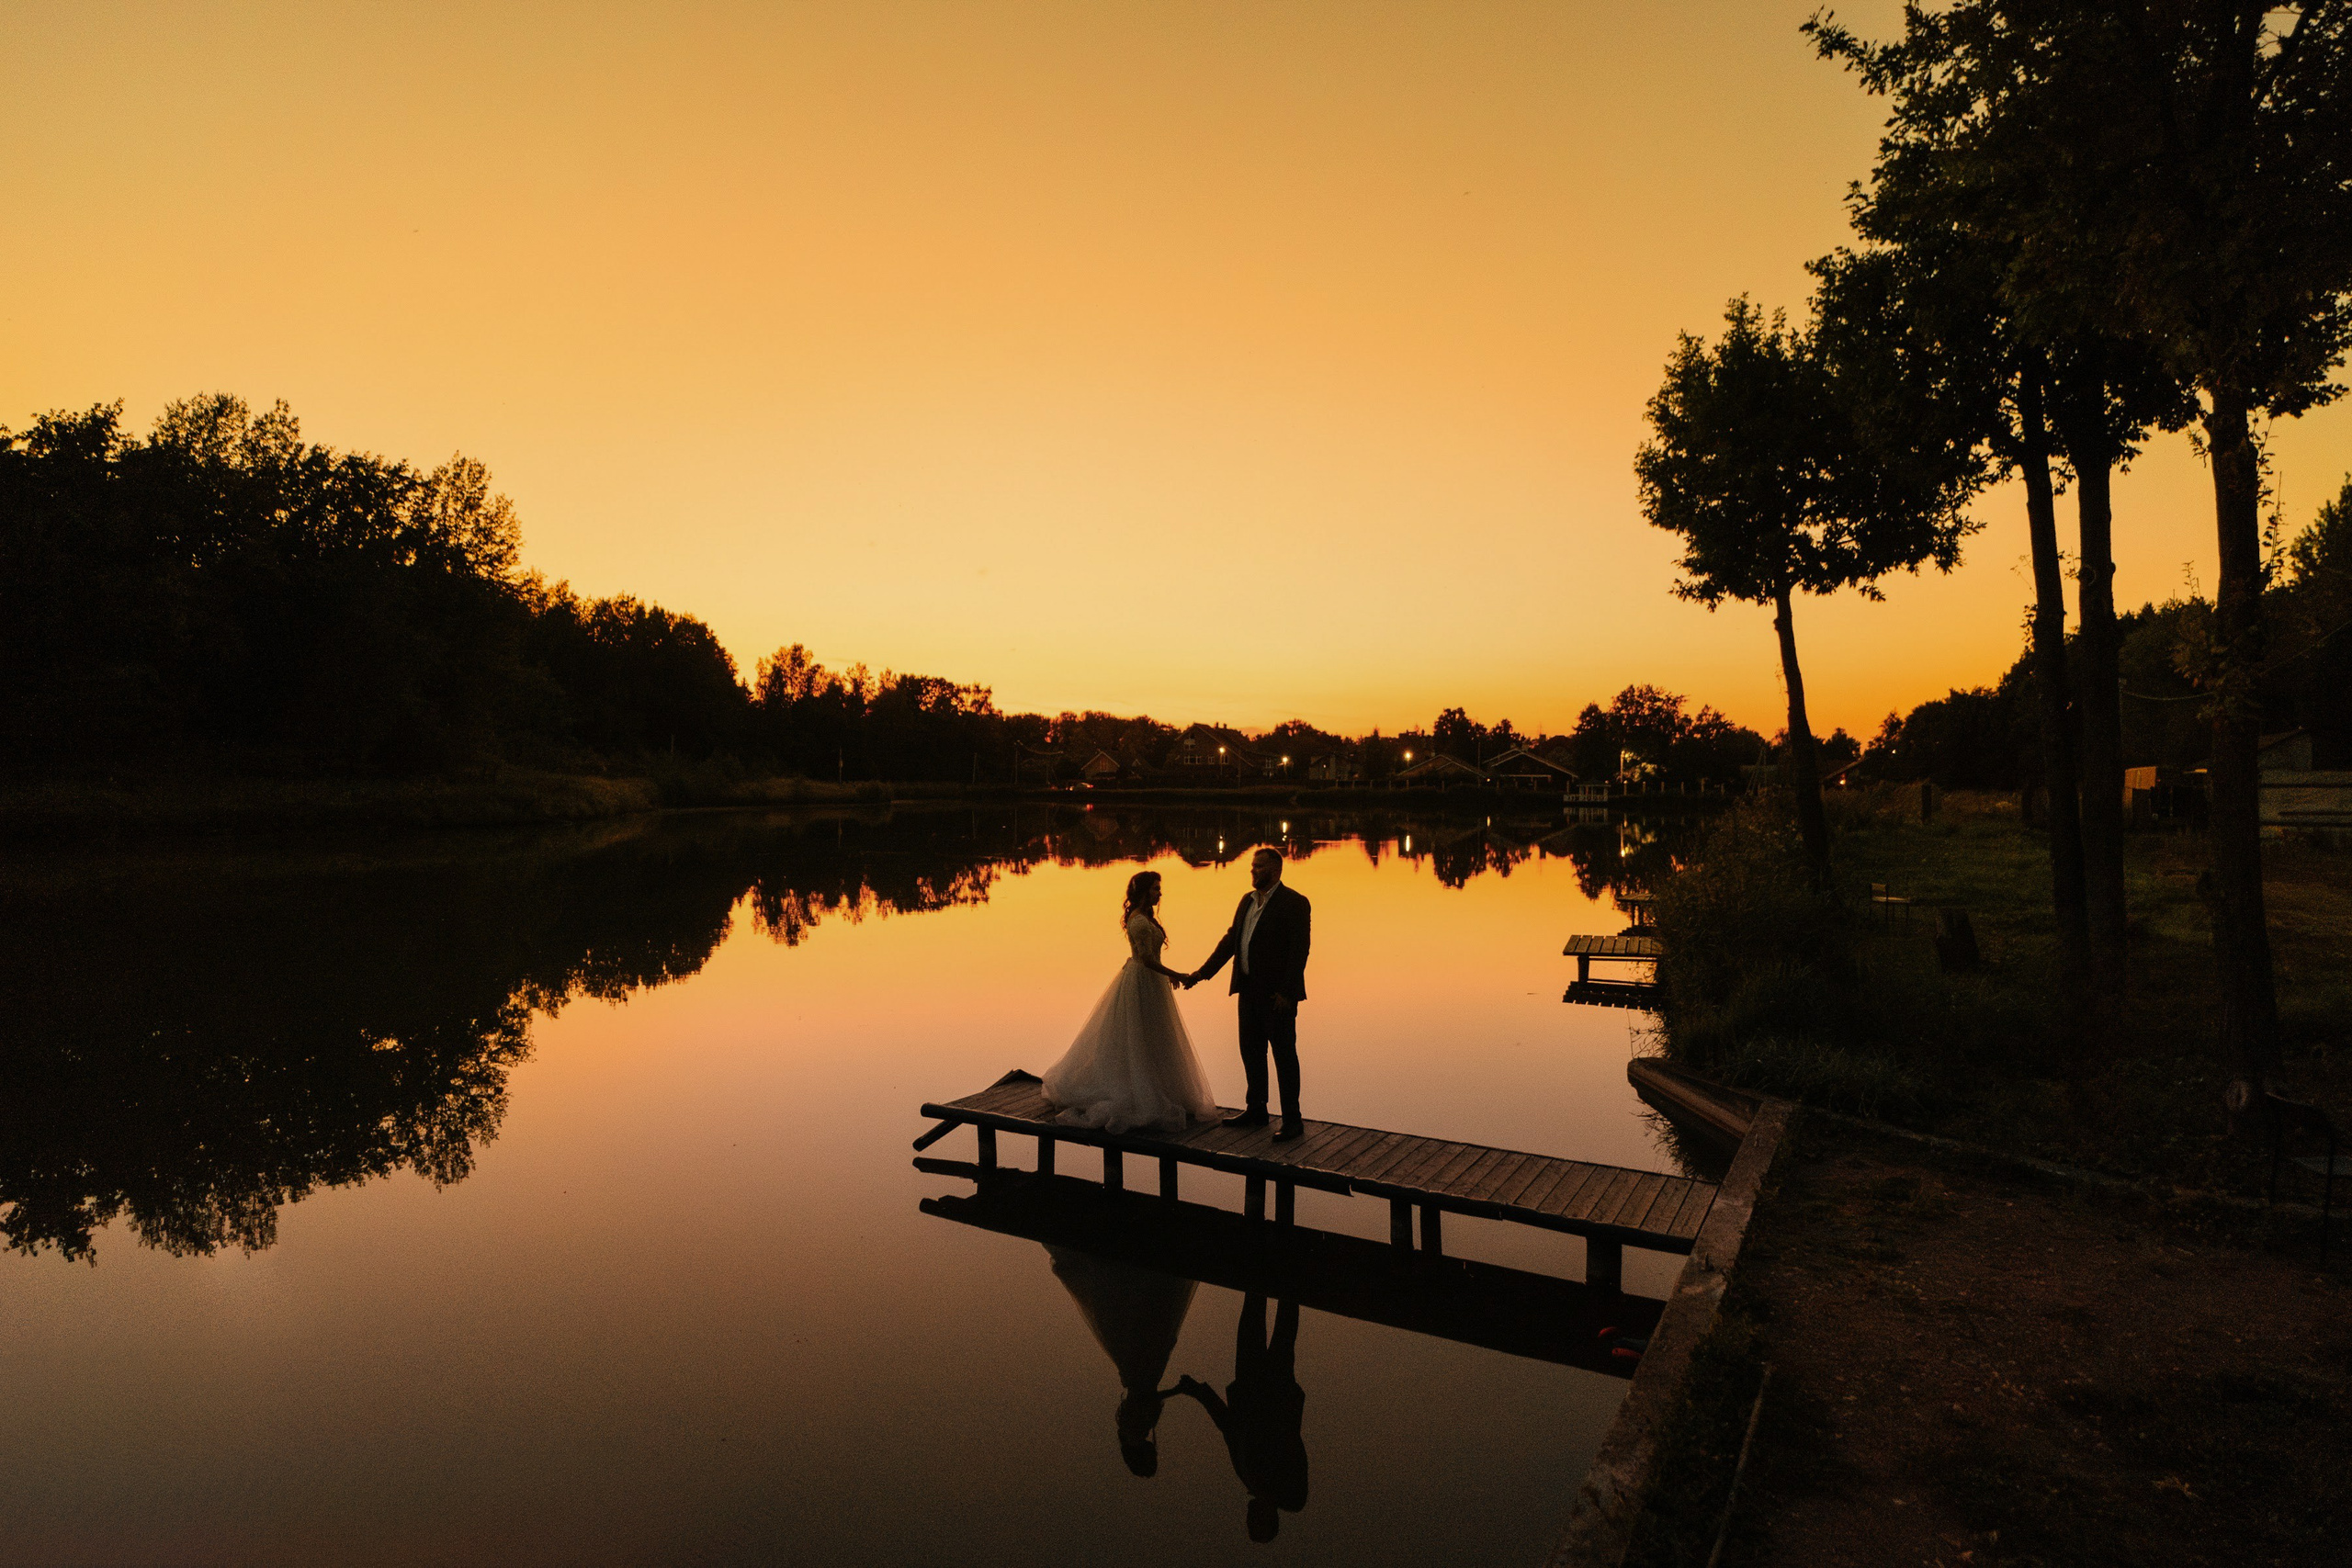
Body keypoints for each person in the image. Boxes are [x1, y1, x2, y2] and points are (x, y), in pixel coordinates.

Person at [1041, 870, 1220, 1134]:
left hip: (1152, 983)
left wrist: (1166, 975)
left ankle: (1161, 1089)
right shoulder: (1138, 921)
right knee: (1137, 1036)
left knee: (1155, 1036)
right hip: (1141, 982)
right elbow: (1146, 959)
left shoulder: (1146, 917)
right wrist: (1176, 974)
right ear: (1145, 891)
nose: (1160, 893)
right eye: (1156, 888)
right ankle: (1138, 1092)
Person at [1186, 847, 1312, 1140]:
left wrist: (1287, 993)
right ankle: (1256, 1110)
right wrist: (1202, 973)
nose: (1253, 871)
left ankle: (1292, 1120)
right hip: (1248, 991)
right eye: (1253, 866)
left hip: (1277, 997)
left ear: (1276, 870)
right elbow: (1231, 941)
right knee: (1251, 1052)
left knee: (1284, 1056)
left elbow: (1300, 951)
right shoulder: (1247, 901)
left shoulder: (1294, 903)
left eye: (1259, 867)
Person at [1044, 1246, 1199, 1479]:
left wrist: (1179, 1391)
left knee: (1146, 1308)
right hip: (1143, 1369)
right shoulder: (1133, 1432)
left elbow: (1143, 1397)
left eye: (1151, 1459)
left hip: (1143, 1366)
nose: (1154, 1455)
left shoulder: (1134, 1433)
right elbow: (1145, 1397)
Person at [1171, 1293, 1308, 1542]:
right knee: (1283, 1323)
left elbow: (1228, 1426)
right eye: (1255, 1522)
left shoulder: (1247, 1475)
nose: (1249, 1517)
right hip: (1275, 1390)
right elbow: (1232, 1427)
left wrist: (1198, 1391)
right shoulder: (1288, 1492)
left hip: (1251, 1383)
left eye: (1249, 1522)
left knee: (1256, 1316)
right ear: (1269, 1518)